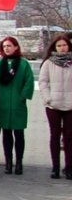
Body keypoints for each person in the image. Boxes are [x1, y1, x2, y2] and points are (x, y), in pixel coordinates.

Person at [0, 36, 35, 175]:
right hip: (2, 104)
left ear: (16, 47)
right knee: (6, 133)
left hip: (17, 104)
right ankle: (8, 162)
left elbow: (29, 81)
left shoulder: (23, 64)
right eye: (4, 46)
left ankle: (19, 162)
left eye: (9, 46)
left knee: (19, 134)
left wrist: (22, 96)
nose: (7, 48)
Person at [38, 33, 72, 179]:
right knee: (55, 135)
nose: (62, 48)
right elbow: (43, 82)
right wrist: (47, 98)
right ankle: (55, 167)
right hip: (53, 105)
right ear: (54, 47)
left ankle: (69, 167)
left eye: (64, 45)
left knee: (70, 137)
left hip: (70, 105)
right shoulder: (49, 62)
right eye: (59, 46)